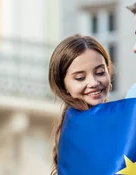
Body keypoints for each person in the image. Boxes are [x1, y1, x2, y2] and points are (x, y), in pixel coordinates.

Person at [47, 34, 114, 175]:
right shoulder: (76, 132)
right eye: (80, 78)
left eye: (100, 72)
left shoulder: (120, 118)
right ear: (62, 85)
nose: (94, 83)